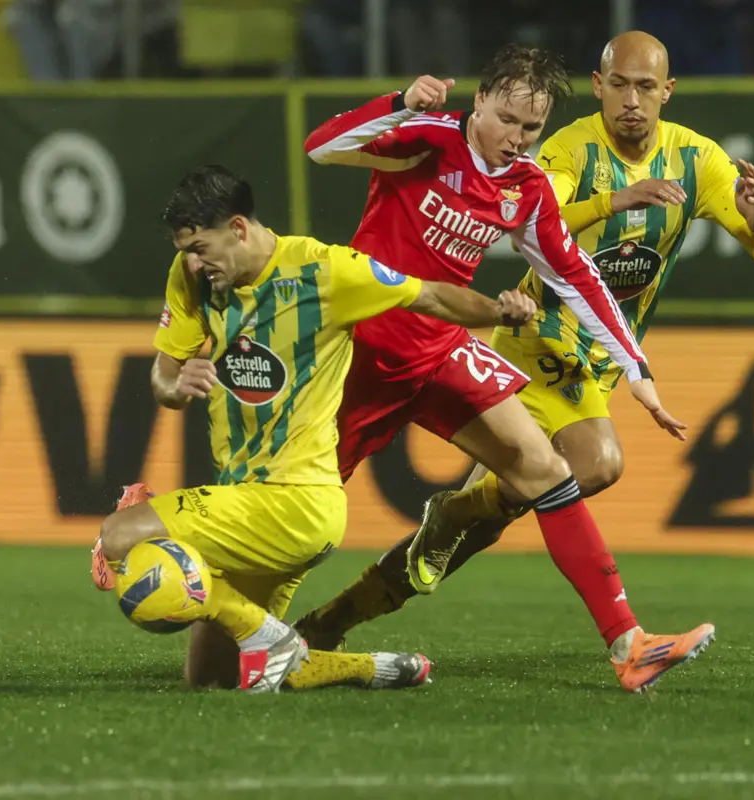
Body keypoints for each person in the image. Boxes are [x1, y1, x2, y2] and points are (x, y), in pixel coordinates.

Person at [298, 43, 714, 692]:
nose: (517, 141)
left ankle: (629, 645)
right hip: (362, 357)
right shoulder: (430, 137)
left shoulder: (525, 188)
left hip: (440, 351)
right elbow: (322, 147)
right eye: (508, 121)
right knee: (299, 522)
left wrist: (637, 370)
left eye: (532, 130)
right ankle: (231, 617)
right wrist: (399, 102)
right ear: (481, 101)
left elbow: (575, 275)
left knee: (547, 469)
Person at [90, 164, 538, 693]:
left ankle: (268, 635)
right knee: (212, 679)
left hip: (297, 502)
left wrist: (498, 312)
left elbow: (431, 297)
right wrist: (177, 380)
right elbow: (164, 379)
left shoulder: (326, 272)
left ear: (238, 228)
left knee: (118, 537)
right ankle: (362, 667)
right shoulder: (192, 277)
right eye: (185, 248)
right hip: (246, 502)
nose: (193, 261)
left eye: (201, 247)